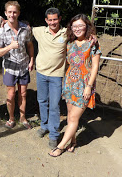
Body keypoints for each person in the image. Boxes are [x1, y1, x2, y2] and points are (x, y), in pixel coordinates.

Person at [48, 14, 101, 157]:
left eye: (80, 26)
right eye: (74, 26)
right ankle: (73, 141)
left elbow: (95, 67)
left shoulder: (92, 43)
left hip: (84, 85)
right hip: (69, 83)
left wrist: (89, 86)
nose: (77, 29)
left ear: (87, 26)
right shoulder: (69, 42)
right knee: (71, 115)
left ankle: (60, 147)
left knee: (73, 118)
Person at [0, 1, 34, 129]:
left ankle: (22, 118)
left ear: (19, 13)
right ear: (5, 13)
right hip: (10, 67)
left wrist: (32, 60)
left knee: (23, 94)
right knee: (11, 94)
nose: (12, 14)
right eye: (9, 12)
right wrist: (10, 46)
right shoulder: (1, 32)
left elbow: (30, 45)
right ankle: (11, 118)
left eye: (15, 12)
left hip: (23, 65)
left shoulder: (25, 29)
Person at [32, 8, 67, 149]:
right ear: (46, 20)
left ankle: (53, 134)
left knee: (54, 105)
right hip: (41, 73)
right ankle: (44, 126)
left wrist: (93, 36)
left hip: (56, 75)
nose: (53, 22)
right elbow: (23, 26)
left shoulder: (66, 33)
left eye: (55, 19)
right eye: (50, 20)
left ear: (59, 19)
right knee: (42, 101)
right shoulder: (40, 31)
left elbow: (82, 31)